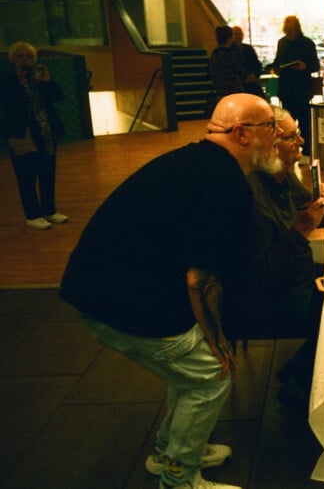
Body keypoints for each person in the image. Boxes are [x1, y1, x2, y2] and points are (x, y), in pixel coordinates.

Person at [60, 93, 280, 489]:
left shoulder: (197, 161)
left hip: (94, 289)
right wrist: (218, 342)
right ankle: (179, 478)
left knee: (191, 371)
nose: (277, 134)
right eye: (271, 126)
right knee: (211, 375)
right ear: (242, 134)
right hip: (120, 301)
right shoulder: (227, 185)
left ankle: (169, 451)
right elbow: (200, 281)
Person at [246, 106, 324, 406]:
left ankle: (300, 366)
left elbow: (320, 217)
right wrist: (301, 229)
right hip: (272, 296)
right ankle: (300, 385)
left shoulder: (282, 176)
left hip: (296, 274)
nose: (301, 142)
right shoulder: (253, 193)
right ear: (271, 145)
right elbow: (266, 273)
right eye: (292, 137)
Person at [0, 41, 68, 230]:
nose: (25, 60)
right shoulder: (6, 80)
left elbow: (59, 97)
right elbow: (7, 105)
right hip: (22, 136)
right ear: (12, 60)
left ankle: (49, 210)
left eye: (29, 57)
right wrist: (19, 81)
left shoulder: (40, 79)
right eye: (20, 56)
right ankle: (32, 215)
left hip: (46, 133)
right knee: (26, 177)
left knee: (47, 174)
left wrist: (47, 81)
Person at [270, 16, 321, 159]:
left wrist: (305, 66)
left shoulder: (307, 43)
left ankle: (306, 153)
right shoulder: (282, 43)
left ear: (298, 29)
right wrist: (276, 68)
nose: (289, 33)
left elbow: (316, 65)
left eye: (291, 30)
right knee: (287, 123)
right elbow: (278, 61)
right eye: (287, 31)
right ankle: (288, 153)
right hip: (287, 88)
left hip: (302, 88)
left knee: (305, 123)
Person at [209, 25, 247, 98]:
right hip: (233, 87)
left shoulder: (215, 54)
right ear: (230, 38)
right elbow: (239, 69)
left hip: (220, 88)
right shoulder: (231, 54)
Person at [231, 25, 266, 98]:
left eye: (239, 34)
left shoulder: (248, 49)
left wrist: (254, 75)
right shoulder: (229, 51)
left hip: (251, 83)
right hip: (236, 86)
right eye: (235, 34)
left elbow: (257, 65)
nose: (237, 37)